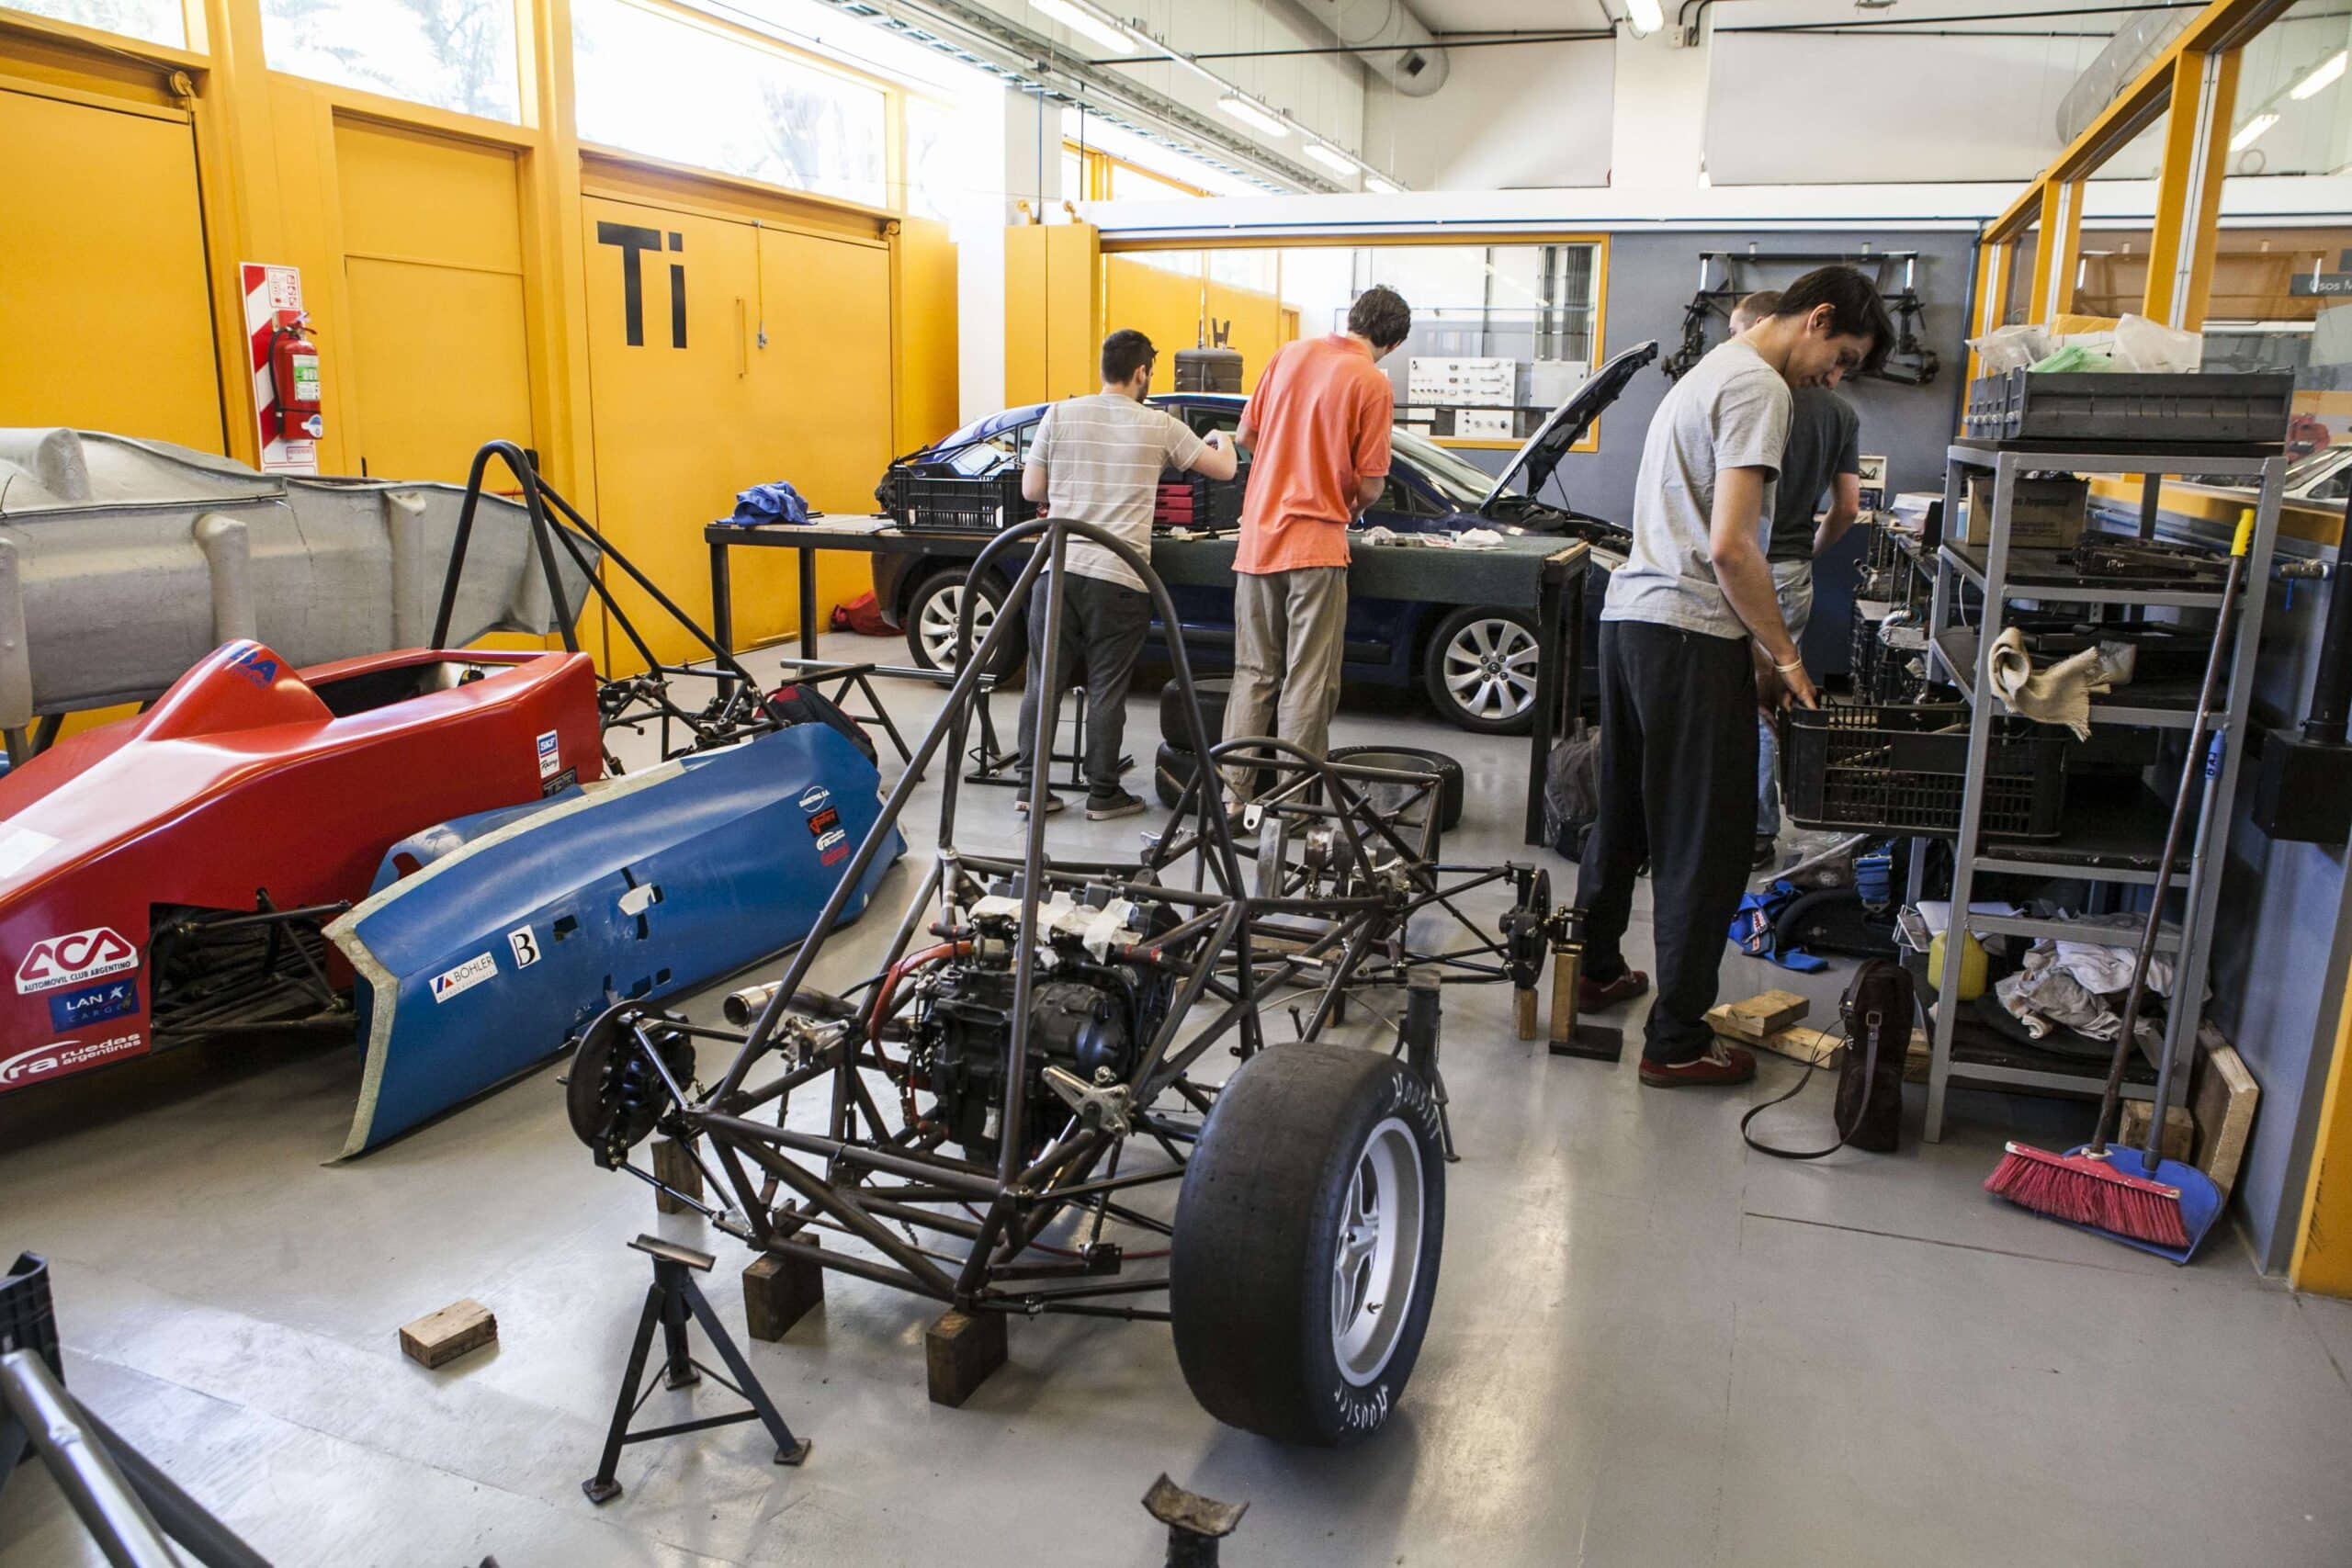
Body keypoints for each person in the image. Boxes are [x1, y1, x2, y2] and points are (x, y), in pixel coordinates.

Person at [1577, 267, 1890, 1088]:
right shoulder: (1762, 388)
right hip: (1687, 632)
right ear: (1818, 318)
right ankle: (1677, 1041)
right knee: (1705, 844)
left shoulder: (1707, 373)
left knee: (1625, 815)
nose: (1833, 378)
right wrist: (1786, 656)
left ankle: (1594, 969)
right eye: (1842, 356)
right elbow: (1731, 547)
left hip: (1630, 620)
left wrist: (1755, 655)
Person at [1017, 328, 1237, 818]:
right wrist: (1223, 438)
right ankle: (1102, 793)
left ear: (1103, 368)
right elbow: (1223, 470)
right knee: (1106, 686)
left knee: (1042, 681)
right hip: (1119, 574)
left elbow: (1034, 488)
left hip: (1057, 569)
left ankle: (1031, 790)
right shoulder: (1157, 425)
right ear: (1142, 372)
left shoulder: (1060, 413)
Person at [1218, 285, 1411, 795]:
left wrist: (1284, 470)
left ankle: (1233, 799)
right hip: (1317, 548)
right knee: (1308, 679)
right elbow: (1370, 483)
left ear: (1352, 318)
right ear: (1392, 343)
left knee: (1253, 674)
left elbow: (1247, 437)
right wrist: (1345, 498)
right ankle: (1288, 807)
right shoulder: (1371, 382)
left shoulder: (1289, 354)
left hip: (1258, 540)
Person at [1724, 290, 1866, 867]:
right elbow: (1850, 507)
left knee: (1740, 701)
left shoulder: (1755, 394)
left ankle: (1748, 830)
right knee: (1769, 700)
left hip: (1742, 568)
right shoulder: (1840, 412)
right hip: (1789, 569)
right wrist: (1807, 552)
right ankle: (1754, 830)